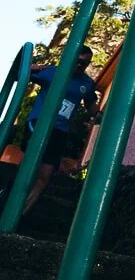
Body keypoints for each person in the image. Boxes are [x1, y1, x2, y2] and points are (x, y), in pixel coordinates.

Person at [20, 45, 98, 214]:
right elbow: (20, 74)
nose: (80, 65)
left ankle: (19, 216)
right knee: (29, 167)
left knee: (44, 176)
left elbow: (92, 108)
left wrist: (100, 117)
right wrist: (31, 67)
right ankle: (9, 204)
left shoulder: (87, 83)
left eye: (84, 63)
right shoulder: (51, 72)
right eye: (78, 61)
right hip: (39, 123)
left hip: (60, 132)